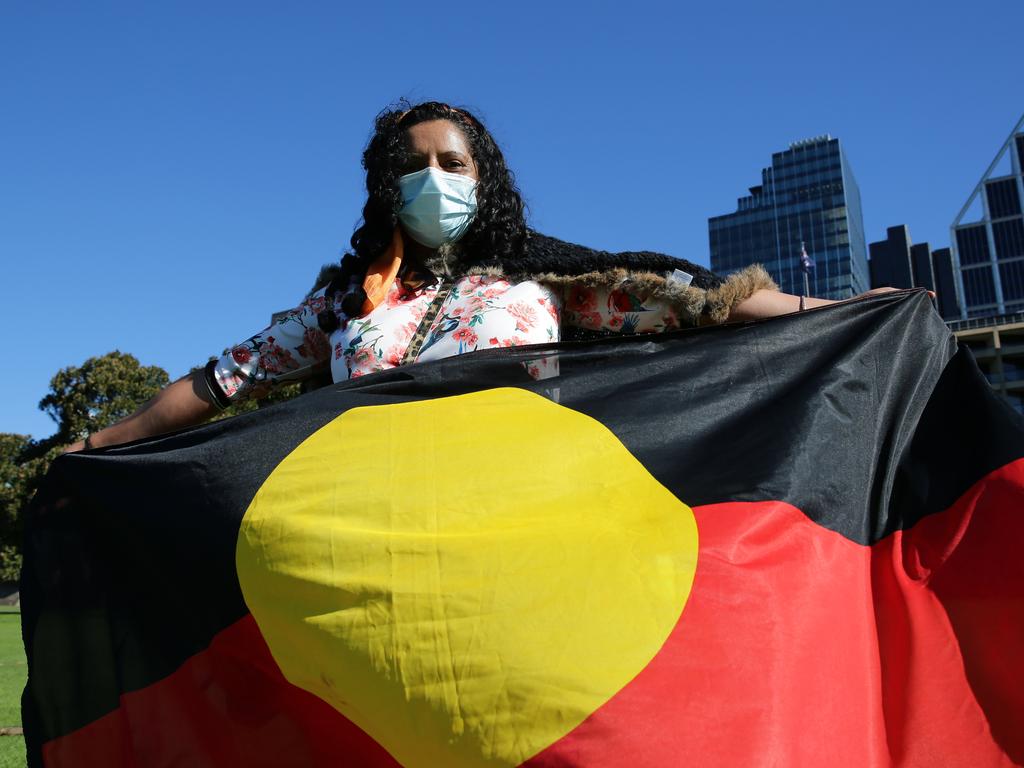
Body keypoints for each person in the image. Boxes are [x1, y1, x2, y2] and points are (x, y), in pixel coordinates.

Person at [66, 101, 888, 453]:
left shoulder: (545, 280)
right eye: (412, 166)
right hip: (364, 523)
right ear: (385, 187)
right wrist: (101, 441)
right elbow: (223, 382)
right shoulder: (348, 302)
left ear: (482, 176)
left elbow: (697, 303)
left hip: (517, 513)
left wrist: (848, 309)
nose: (433, 178)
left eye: (451, 163)